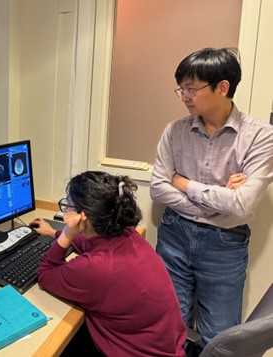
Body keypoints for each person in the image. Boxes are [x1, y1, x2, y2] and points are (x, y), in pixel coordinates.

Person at [150, 47, 273, 348]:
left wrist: (183, 182)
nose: (185, 96)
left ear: (222, 87)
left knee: (218, 339)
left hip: (225, 245)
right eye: (182, 89)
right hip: (174, 234)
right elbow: (157, 187)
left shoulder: (260, 136)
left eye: (192, 89)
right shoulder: (174, 131)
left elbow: (241, 204)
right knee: (168, 326)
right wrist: (218, 201)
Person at [33, 171, 186, 356]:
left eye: (68, 205)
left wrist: (67, 233)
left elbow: (45, 273)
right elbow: (94, 244)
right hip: (163, 346)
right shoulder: (128, 234)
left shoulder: (96, 268)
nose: (65, 212)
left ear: (83, 218)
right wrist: (53, 233)